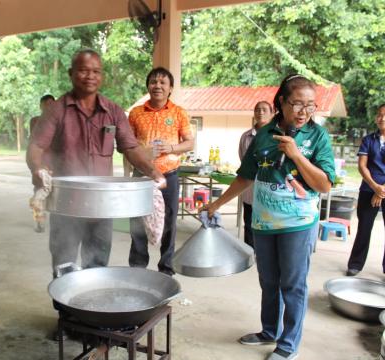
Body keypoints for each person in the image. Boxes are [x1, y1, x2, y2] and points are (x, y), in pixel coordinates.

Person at [203, 74, 335, 360]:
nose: (304, 112)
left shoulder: (318, 136)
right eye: (297, 104)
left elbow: (324, 185)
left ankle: (288, 346)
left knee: (293, 284)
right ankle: (269, 331)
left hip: (297, 224)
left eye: (310, 106)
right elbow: (245, 177)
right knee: (269, 280)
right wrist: (216, 204)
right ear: (282, 102)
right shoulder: (263, 134)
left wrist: (297, 155)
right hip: (264, 223)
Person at [27, 49, 165, 273]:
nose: (90, 76)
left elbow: (130, 147)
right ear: (71, 73)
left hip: (102, 205)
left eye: (96, 71)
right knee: (64, 265)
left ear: (101, 76)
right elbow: (36, 146)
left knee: (98, 264)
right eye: (83, 70)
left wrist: (152, 171)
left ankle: (90, 307)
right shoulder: (56, 111)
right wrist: (37, 167)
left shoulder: (113, 111)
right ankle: (65, 308)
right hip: (67, 204)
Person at [126, 67, 194, 276]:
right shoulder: (136, 113)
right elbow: (127, 146)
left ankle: (166, 268)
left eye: (163, 82)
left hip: (169, 176)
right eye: (154, 82)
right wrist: (127, 171)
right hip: (141, 176)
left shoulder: (178, 112)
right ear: (148, 86)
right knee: (138, 220)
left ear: (170, 88)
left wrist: (171, 148)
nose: (158, 86)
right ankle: (138, 267)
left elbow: (190, 143)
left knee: (169, 221)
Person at [347, 103, 385, 276]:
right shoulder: (369, 140)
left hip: (381, 189)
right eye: (379, 114)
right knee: (364, 228)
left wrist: (382, 190)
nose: (382, 118)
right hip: (369, 190)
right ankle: (355, 264)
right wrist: (375, 188)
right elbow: (362, 167)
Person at [238, 101, 274, 248]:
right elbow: (243, 158)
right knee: (249, 222)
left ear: (272, 114)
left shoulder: (276, 136)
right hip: (250, 188)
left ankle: (265, 252)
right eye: (257, 109)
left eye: (265, 110)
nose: (260, 112)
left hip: (269, 189)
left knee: (267, 223)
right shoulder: (246, 136)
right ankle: (249, 251)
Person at [28, 94, 55, 233]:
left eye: (52, 104)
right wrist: (36, 166)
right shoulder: (35, 121)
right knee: (40, 191)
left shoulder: (58, 122)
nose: (49, 107)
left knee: (55, 194)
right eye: (46, 105)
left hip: (55, 164)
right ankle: (40, 222)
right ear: (41, 106)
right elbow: (35, 144)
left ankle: (54, 222)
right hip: (40, 164)